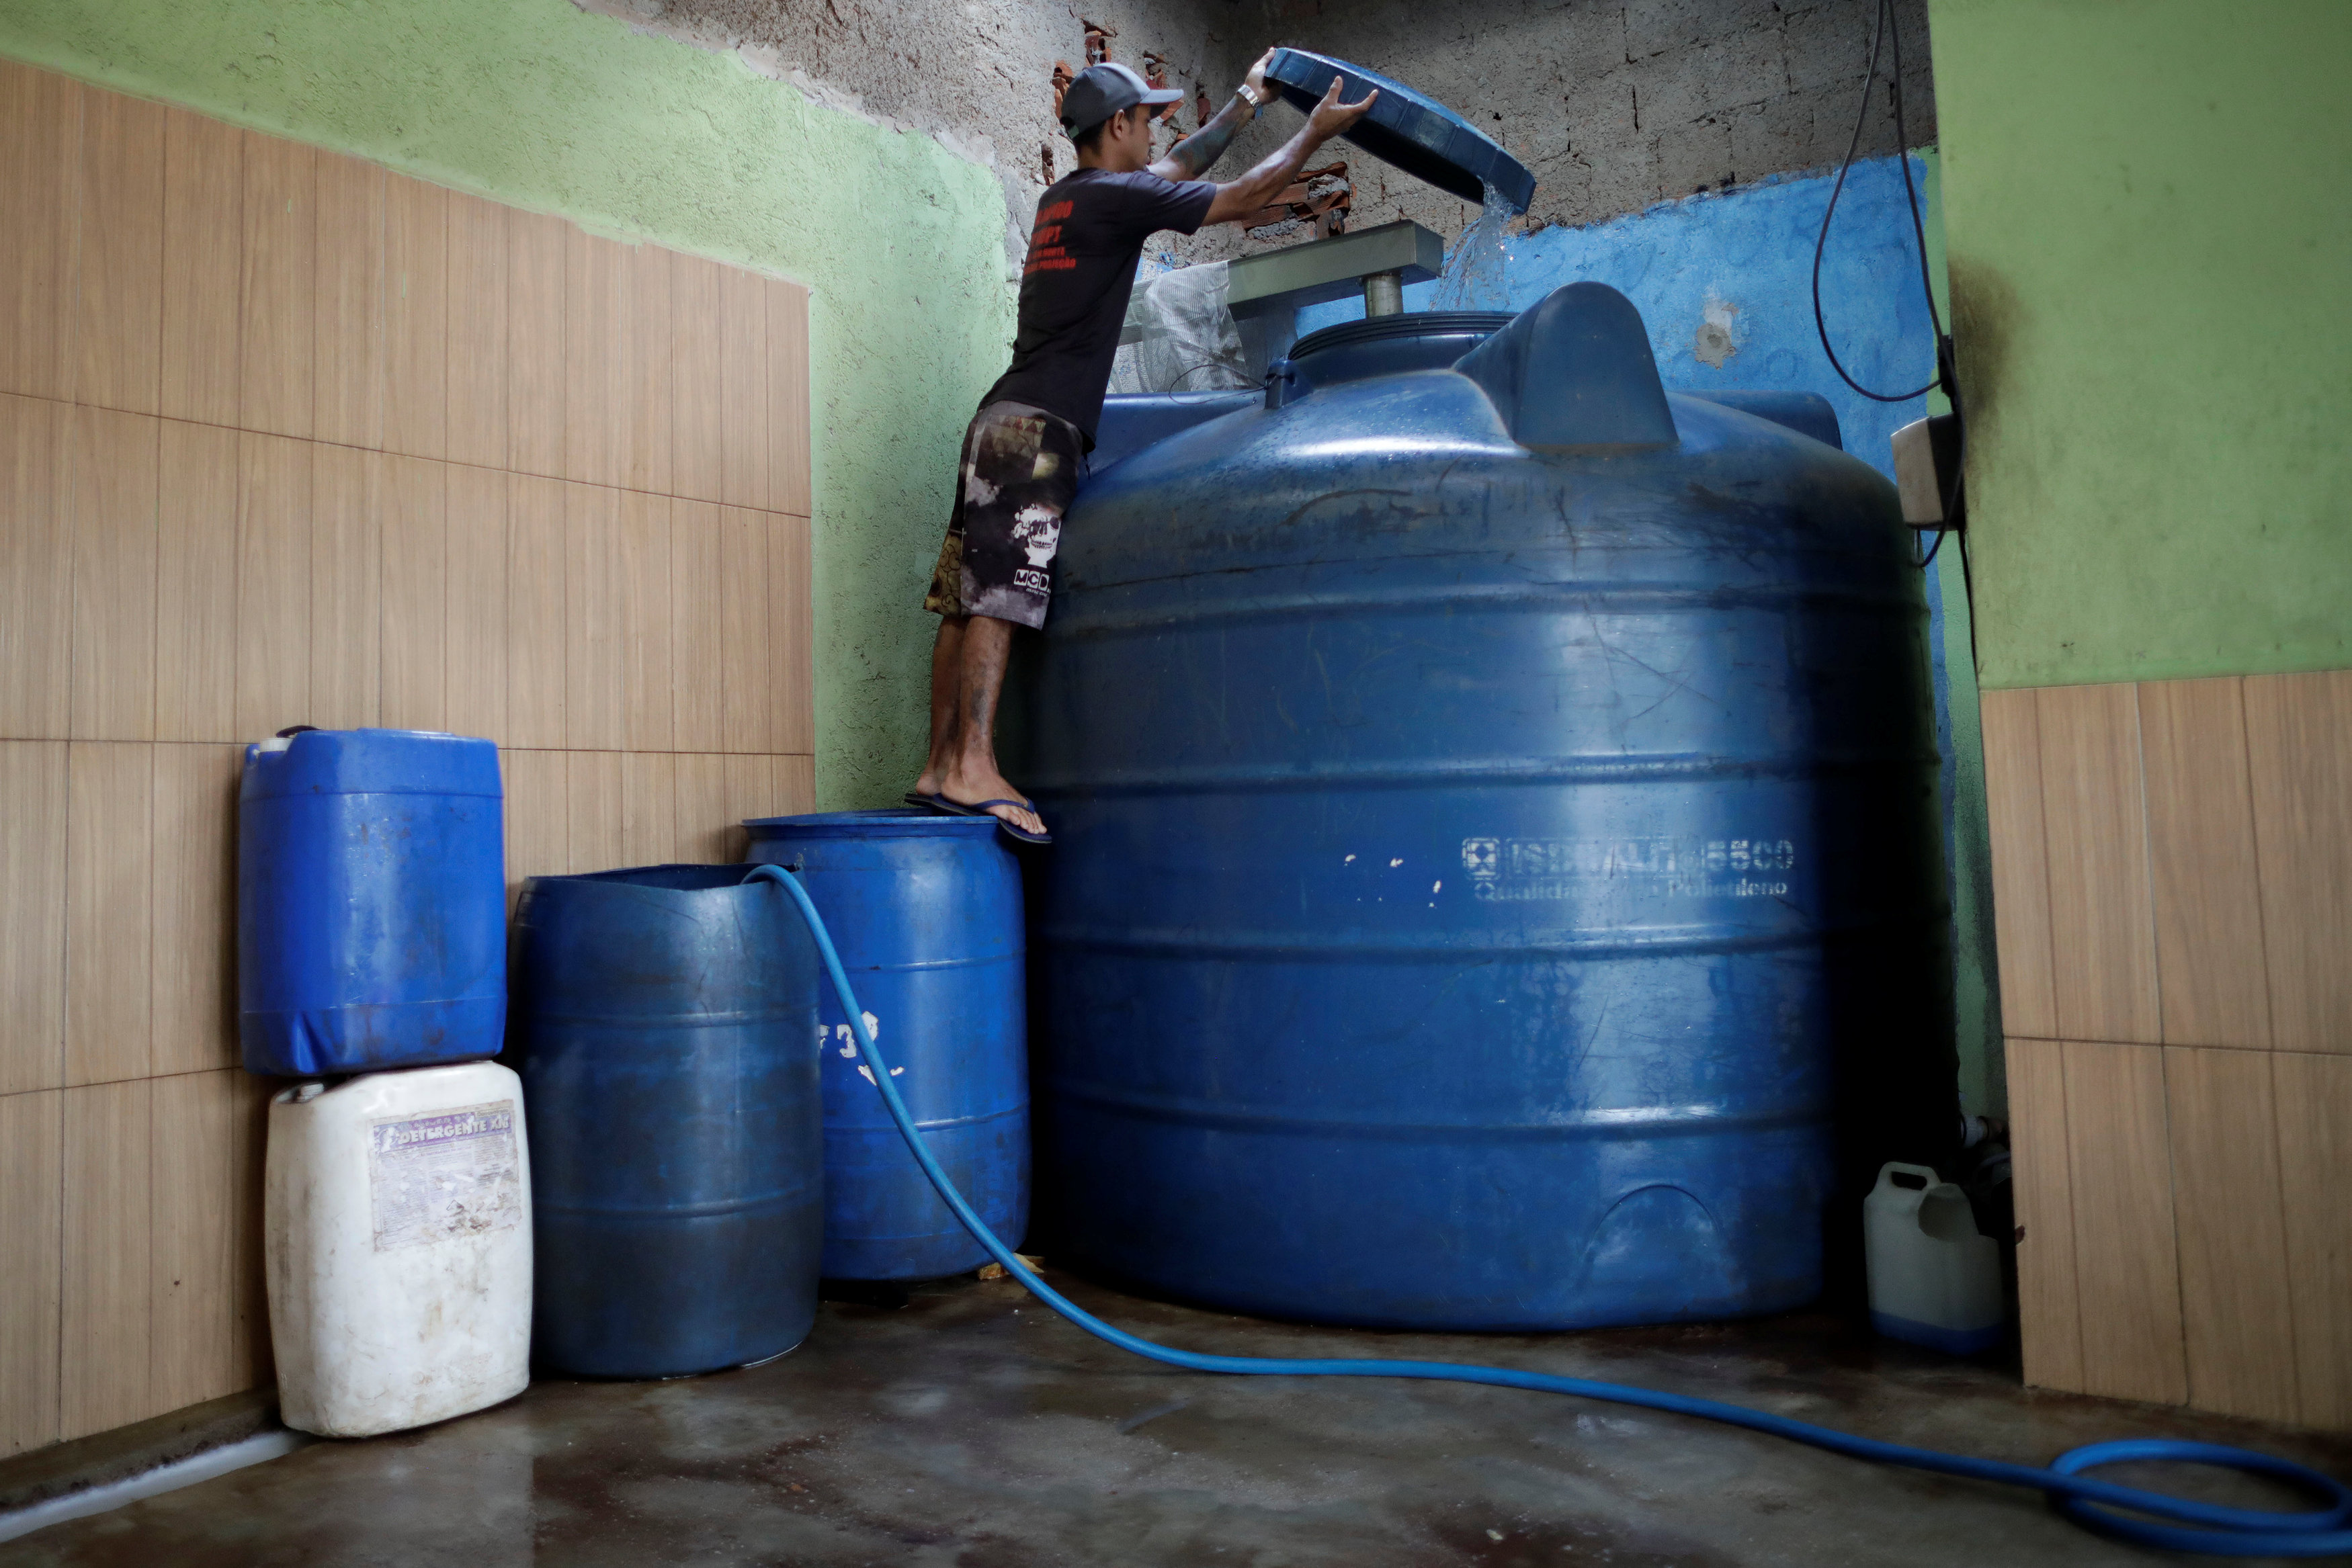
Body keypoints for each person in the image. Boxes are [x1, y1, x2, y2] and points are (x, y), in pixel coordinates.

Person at [912, 52, 1377, 843]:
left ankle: (939, 763)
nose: (1157, 130)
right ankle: (972, 767)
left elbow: (1178, 166)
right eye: (1149, 117)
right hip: (1037, 431)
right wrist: (1310, 134)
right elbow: (1244, 196)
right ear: (1116, 126)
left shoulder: (1073, 198)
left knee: (966, 598)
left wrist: (1246, 99)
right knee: (1001, 593)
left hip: (999, 417)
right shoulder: (1114, 199)